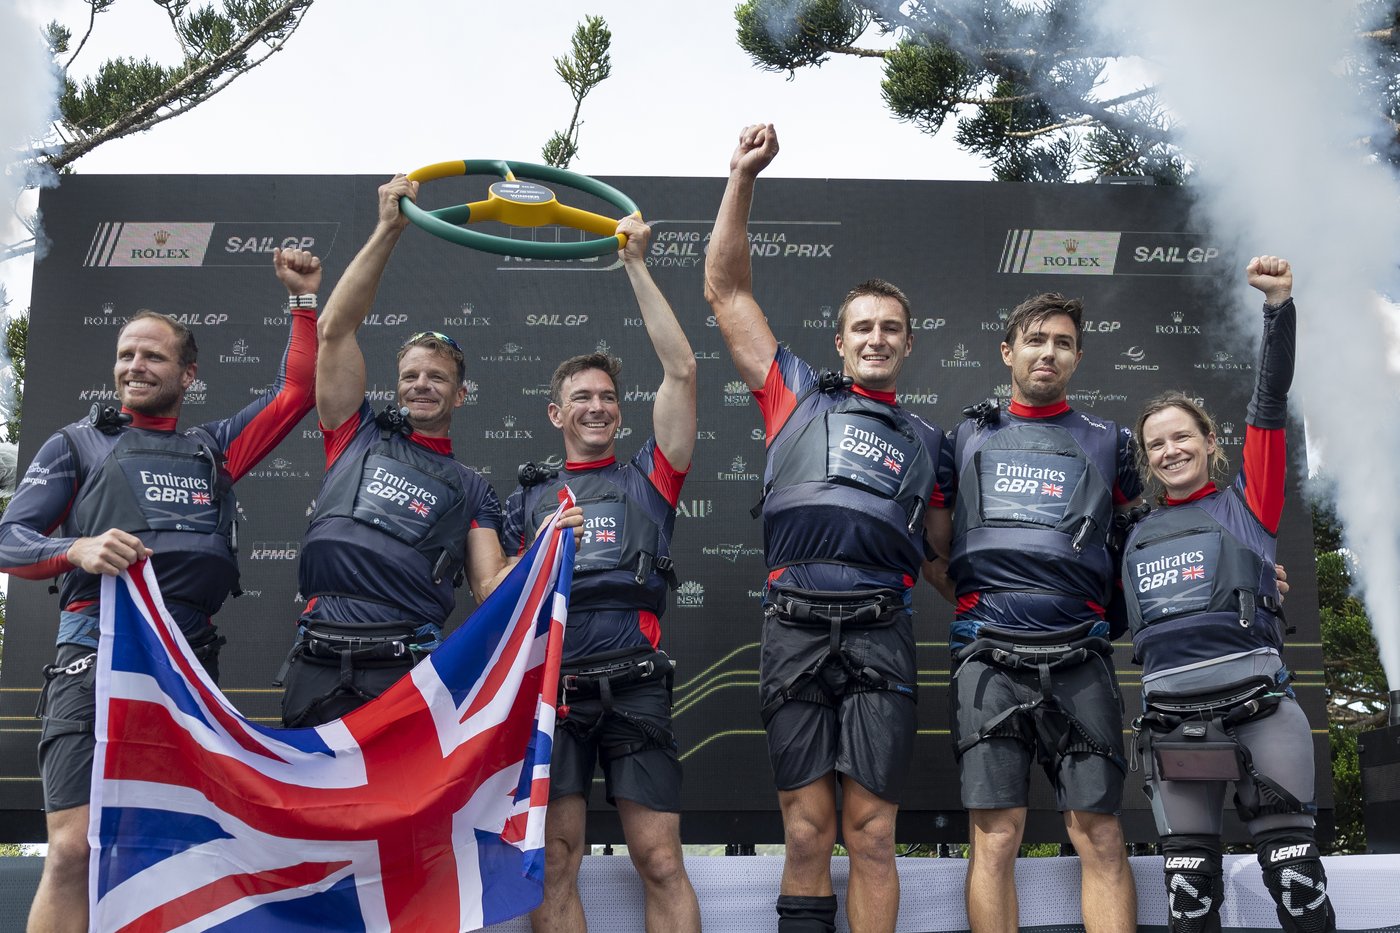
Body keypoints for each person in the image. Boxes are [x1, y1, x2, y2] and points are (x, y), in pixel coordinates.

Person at [1, 249, 322, 933]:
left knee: (166, 856)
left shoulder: (212, 450)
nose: (134, 366)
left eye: (152, 356)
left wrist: (301, 302)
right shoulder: (78, 444)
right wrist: (76, 547)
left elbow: (294, 395)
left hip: (186, 668)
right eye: (126, 355)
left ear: (187, 373)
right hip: (94, 657)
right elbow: (9, 540)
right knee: (71, 848)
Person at [704, 123, 956, 933]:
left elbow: (949, 564)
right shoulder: (794, 395)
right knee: (808, 830)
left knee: (873, 833)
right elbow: (727, 292)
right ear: (840, 341)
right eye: (863, 327)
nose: (877, 338)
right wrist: (742, 176)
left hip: (882, 634)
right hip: (795, 630)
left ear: (907, 343)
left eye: (891, 328)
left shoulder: (931, 445)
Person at [278, 175, 578, 727]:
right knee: (305, 810)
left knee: (396, 815)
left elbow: (490, 587)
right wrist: (389, 228)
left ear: (461, 394)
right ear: (396, 384)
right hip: (317, 658)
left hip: (404, 668)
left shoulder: (472, 489)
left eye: (436, 377)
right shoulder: (354, 431)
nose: (421, 384)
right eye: (410, 375)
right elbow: (335, 332)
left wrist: (542, 547)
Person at [502, 216, 700, 933]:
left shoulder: (651, 475)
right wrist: (539, 548)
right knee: (556, 858)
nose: (596, 405)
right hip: (554, 692)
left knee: (659, 856)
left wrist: (637, 266)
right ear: (557, 412)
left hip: (637, 685)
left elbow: (681, 370)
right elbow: (492, 597)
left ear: (621, 411)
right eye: (582, 397)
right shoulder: (525, 499)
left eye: (608, 397)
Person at [1124, 256, 1333, 933]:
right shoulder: (1129, 534)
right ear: (1146, 458)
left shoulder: (1250, 502)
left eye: (1182, 434)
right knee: (1189, 903)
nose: (1170, 448)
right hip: (1171, 725)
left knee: (1297, 885)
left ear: (1211, 442)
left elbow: (1268, 401)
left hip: (1260, 711)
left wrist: (1276, 309)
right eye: (1156, 443)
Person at [938, 292, 1141, 933]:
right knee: (996, 837)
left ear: (1078, 356)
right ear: (1007, 352)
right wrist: (987, 605)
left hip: (1082, 656)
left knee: (1100, 835)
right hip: (989, 659)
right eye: (1033, 340)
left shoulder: (1113, 443)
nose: (1046, 352)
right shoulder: (966, 434)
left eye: (1060, 342)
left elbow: (1148, 542)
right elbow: (935, 551)